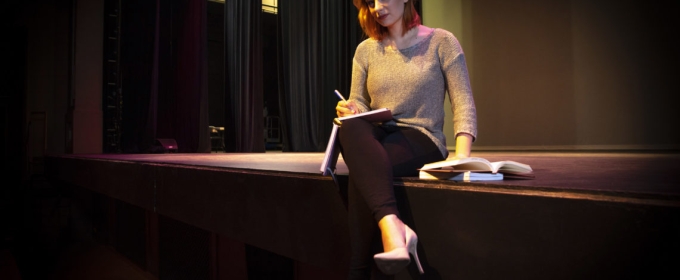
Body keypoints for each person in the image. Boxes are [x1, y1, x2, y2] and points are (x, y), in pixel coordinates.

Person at [336, 0, 478, 278]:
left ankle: (360, 268)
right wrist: (351, 109)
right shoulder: (365, 50)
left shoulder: (442, 41)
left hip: (422, 138)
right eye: (370, 1)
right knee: (349, 127)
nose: (377, 6)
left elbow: (463, 102)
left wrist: (462, 157)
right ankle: (392, 226)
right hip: (378, 135)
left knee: (363, 172)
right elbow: (360, 105)